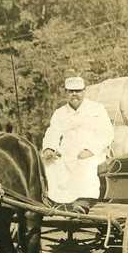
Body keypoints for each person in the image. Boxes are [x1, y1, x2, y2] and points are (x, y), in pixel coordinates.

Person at [42, 76, 113, 212]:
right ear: (66, 93)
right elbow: (53, 132)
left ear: (84, 91)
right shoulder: (60, 113)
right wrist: (50, 148)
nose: (74, 94)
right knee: (49, 164)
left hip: (92, 151)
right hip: (67, 151)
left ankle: (83, 202)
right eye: (70, 91)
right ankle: (55, 200)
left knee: (85, 164)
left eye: (78, 91)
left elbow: (107, 133)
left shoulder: (96, 109)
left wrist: (91, 150)